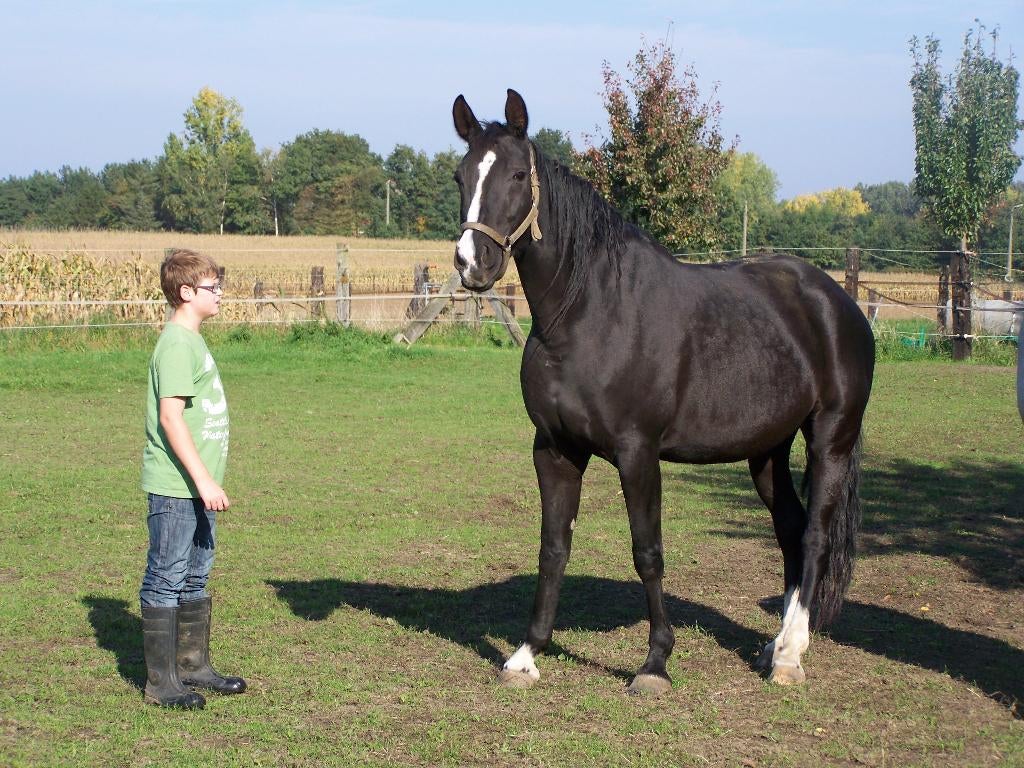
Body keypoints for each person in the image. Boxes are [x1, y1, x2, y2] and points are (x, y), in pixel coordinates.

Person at [138, 249, 246, 709]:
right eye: (212, 288)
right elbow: (170, 418)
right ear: (186, 292)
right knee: (167, 575)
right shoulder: (177, 345)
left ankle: (192, 665)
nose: (220, 294)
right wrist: (203, 481)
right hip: (177, 486)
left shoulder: (192, 340)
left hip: (198, 486)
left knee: (195, 575)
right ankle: (162, 683)